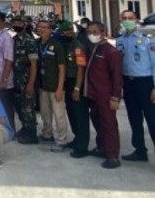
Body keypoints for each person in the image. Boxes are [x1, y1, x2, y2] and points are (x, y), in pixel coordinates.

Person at [116, 9, 155, 162]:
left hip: (145, 83)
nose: (127, 20)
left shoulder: (148, 38)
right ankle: (140, 150)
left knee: (152, 119)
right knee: (134, 118)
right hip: (129, 82)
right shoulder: (120, 40)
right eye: (124, 18)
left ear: (136, 19)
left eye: (130, 18)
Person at [85, 21, 122, 169]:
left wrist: (115, 97)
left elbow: (117, 77)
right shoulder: (94, 48)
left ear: (102, 32)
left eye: (95, 32)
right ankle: (102, 148)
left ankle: (113, 156)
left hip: (106, 96)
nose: (91, 35)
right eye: (89, 32)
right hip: (93, 94)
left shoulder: (111, 52)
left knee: (109, 125)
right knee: (97, 122)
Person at [57, 20, 90, 158]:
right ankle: (77, 139)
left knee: (80, 115)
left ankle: (82, 146)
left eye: (70, 32)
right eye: (65, 32)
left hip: (77, 83)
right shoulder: (63, 45)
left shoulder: (78, 47)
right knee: (71, 112)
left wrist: (77, 88)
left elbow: (81, 69)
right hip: (68, 83)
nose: (67, 34)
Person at [36, 18, 68, 152]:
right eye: (40, 27)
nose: (42, 29)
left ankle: (62, 140)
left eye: (45, 27)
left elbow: (62, 68)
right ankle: (47, 134)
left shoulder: (56, 45)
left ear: (50, 30)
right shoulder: (36, 44)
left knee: (59, 114)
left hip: (55, 87)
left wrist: (60, 88)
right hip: (43, 86)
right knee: (45, 113)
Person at [10, 15, 38, 144]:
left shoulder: (29, 41)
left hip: (26, 80)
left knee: (28, 108)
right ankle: (25, 128)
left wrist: (31, 84)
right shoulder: (13, 40)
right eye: (14, 22)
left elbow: (33, 64)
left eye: (19, 22)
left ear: (24, 24)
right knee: (19, 107)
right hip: (16, 80)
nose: (16, 24)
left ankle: (32, 134)